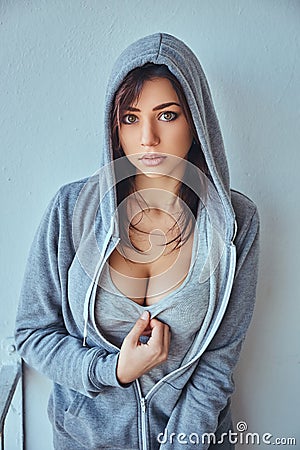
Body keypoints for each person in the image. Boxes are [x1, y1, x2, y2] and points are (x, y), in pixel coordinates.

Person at [15, 33, 259, 450]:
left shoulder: (236, 221)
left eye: (167, 115)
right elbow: (32, 333)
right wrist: (113, 371)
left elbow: (218, 362)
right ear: (114, 125)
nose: (147, 138)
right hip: (86, 440)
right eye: (130, 117)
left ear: (196, 121)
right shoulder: (72, 209)